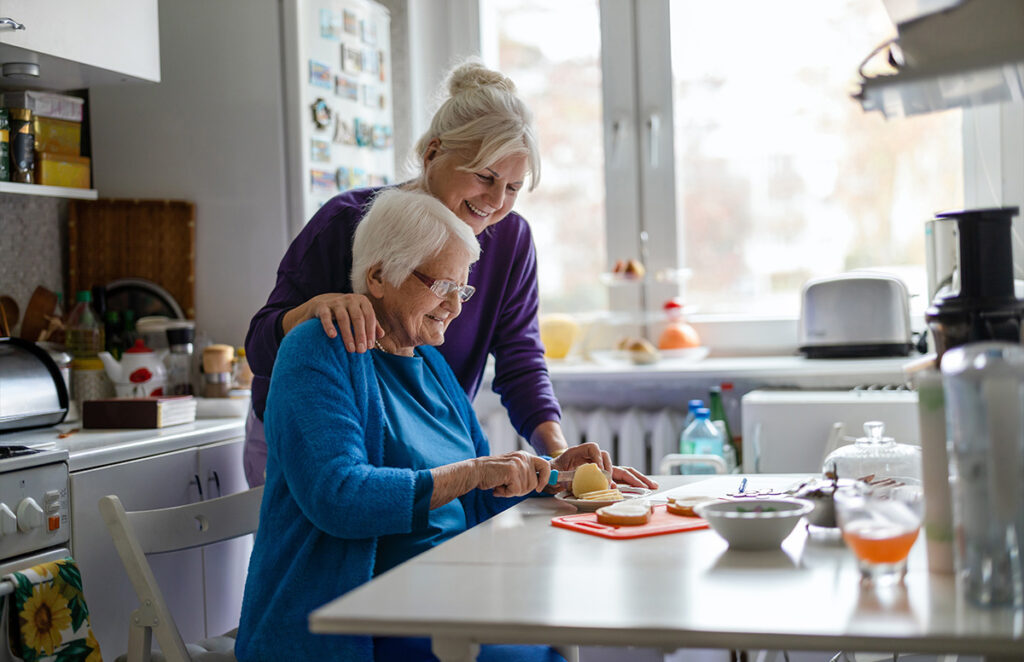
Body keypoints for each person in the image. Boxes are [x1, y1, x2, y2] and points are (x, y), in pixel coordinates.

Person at [243, 59, 656, 492]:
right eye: (485, 176)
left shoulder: (510, 240)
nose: (496, 201)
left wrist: (556, 454)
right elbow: (259, 347)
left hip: (416, 452)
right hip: (314, 446)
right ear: (432, 153)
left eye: (513, 187)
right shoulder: (347, 221)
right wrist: (310, 311)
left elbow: (520, 359)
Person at [235, 189, 609, 661]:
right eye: (441, 286)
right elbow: (339, 497)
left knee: (554, 636)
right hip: (360, 619)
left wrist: (554, 477)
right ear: (378, 276)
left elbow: (480, 490)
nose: (455, 306)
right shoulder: (319, 349)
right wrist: (473, 471)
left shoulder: (431, 364)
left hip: (451, 595)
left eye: (463, 289)